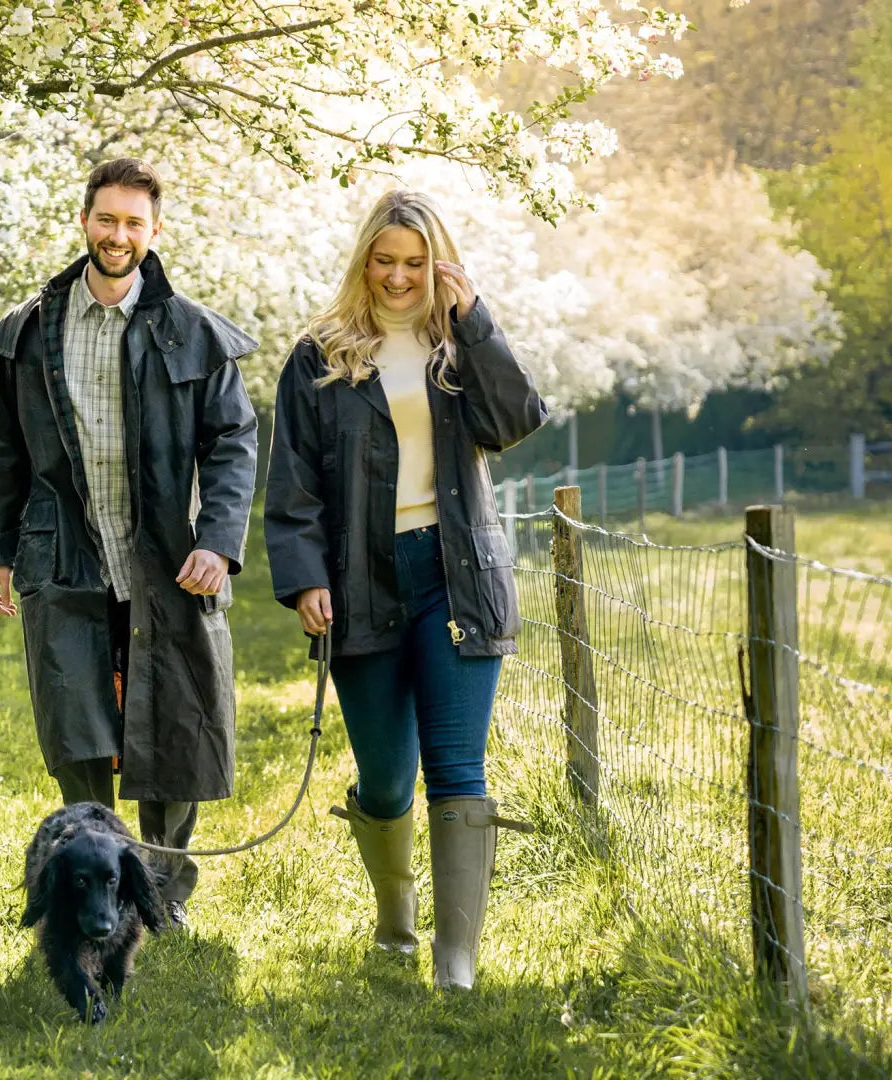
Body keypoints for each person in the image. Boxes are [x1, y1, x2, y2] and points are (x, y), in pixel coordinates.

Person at [264, 189, 548, 989]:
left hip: (457, 578)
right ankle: (397, 917)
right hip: (360, 579)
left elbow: (517, 419)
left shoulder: (459, 345)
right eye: (385, 262)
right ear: (365, 260)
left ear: (439, 264)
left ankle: (456, 961)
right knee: (387, 779)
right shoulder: (319, 354)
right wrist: (304, 579)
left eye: (416, 263)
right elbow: (291, 488)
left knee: (457, 769)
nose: (398, 278)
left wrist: (477, 320)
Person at [0, 158, 258, 929]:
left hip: (169, 561)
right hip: (64, 555)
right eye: (107, 219)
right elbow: (5, 447)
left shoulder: (189, 332)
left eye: (134, 222)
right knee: (79, 729)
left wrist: (219, 541)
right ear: (85, 222)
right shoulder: (34, 332)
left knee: (176, 726)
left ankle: (160, 888)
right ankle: (98, 880)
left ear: (155, 232)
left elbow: (232, 441)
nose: (119, 235)